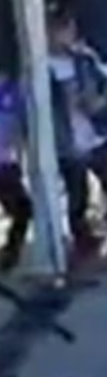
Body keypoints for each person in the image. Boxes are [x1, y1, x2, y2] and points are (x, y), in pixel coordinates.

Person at [47, 9, 107, 263]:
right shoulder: (42, 69)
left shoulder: (84, 59)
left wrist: (100, 103)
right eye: (61, 29)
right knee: (78, 196)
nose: (67, 34)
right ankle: (83, 241)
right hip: (67, 141)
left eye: (70, 28)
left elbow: (106, 88)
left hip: (96, 136)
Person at [0, 71, 30, 271]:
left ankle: (10, 255)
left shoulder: (12, 90)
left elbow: (20, 125)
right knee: (22, 208)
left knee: (22, 209)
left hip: (6, 162)